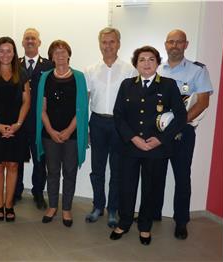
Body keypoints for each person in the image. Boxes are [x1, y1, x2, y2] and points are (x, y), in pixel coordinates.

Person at [110, 46, 186, 245]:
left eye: (151, 59)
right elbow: (118, 116)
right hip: (130, 147)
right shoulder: (127, 85)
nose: (146, 63)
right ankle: (124, 222)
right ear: (136, 64)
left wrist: (161, 139)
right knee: (126, 187)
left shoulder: (168, 85)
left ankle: (145, 227)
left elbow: (181, 117)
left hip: (157, 149)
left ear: (157, 63)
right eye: (142, 59)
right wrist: (133, 138)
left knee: (151, 189)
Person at [155, 29, 213, 239]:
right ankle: (153, 214)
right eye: (171, 42)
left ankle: (181, 221)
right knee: (156, 174)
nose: (175, 45)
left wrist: (178, 124)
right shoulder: (156, 69)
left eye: (179, 42)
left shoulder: (198, 71)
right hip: (159, 132)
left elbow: (203, 102)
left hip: (183, 132)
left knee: (182, 177)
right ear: (165, 44)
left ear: (186, 45)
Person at [84, 27, 136, 227]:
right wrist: (85, 129)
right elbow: (86, 101)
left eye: (112, 42)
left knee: (117, 169)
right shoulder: (90, 70)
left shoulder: (129, 70)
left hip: (119, 124)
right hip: (97, 122)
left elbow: (131, 103)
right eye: (104, 42)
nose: (108, 46)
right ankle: (98, 205)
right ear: (100, 44)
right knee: (97, 169)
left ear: (119, 44)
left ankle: (113, 209)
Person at [36, 40, 88, 227]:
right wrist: (50, 130)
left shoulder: (79, 77)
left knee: (70, 171)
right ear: (51, 57)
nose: (59, 55)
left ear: (69, 54)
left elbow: (81, 109)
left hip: (72, 135)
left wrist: (68, 131)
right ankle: (52, 206)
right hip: (50, 133)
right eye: (55, 52)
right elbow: (41, 108)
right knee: (53, 172)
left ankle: (66, 208)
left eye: (63, 51)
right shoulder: (45, 77)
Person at [0, 36, 31, 222]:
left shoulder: (22, 73)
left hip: (16, 126)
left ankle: (9, 205)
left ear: (14, 53)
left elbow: (27, 101)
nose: (5, 54)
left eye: (8, 50)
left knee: (12, 165)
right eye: (1, 50)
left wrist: (17, 125)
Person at [15, 28, 54, 209]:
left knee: (40, 160)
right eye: (27, 38)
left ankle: (38, 193)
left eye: (33, 38)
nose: (30, 41)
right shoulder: (14, 64)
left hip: (40, 123)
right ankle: (16, 191)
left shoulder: (49, 66)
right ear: (22, 43)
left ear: (39, 42)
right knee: (18, 159)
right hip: (19, 122)